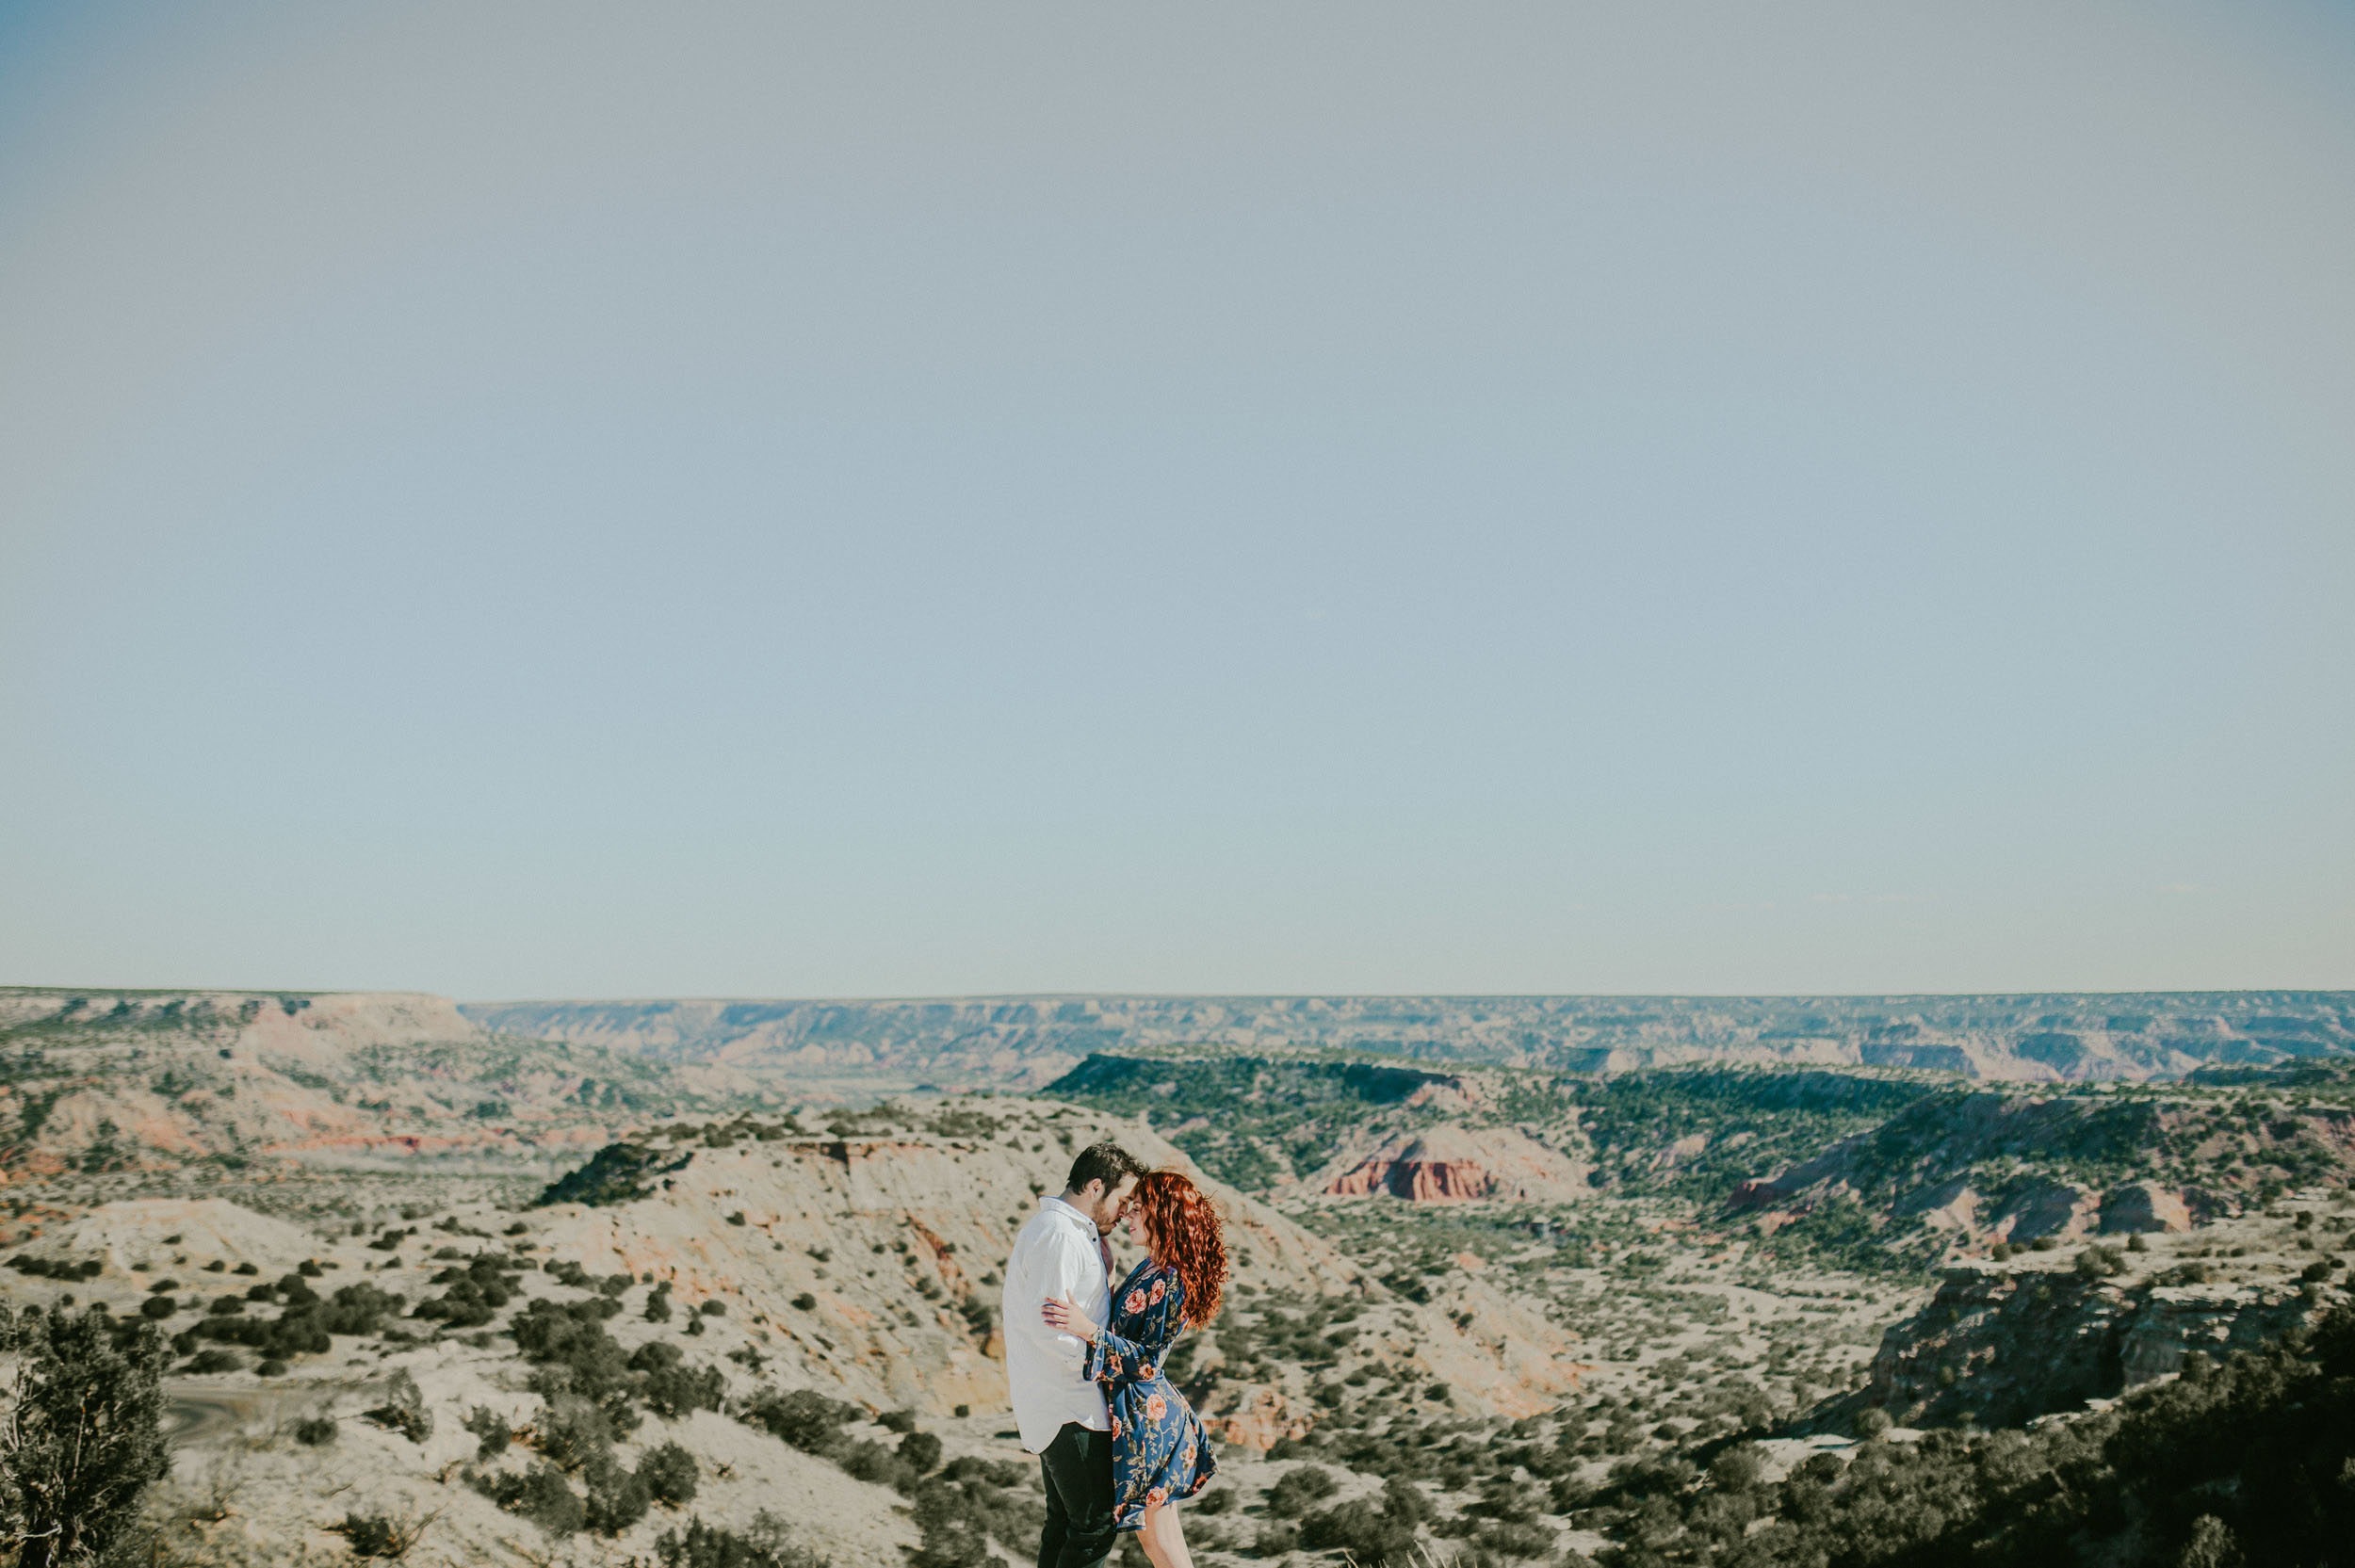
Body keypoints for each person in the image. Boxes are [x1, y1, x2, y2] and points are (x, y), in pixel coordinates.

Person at [1043, 1169, 1228, 1568]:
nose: (1128, 1216)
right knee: (1164, 1545)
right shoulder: (1153, 1267)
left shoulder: (1171, 1278)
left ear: (1163, 1215)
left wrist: (1086, 1330)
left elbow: (1145, 1361)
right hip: (1141, 1415)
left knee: (1161, 1546)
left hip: (1148, 1422)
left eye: (1138, 1209)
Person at [1002, 1140, 1149, 1568]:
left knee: (1066, 1523)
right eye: (1122, 1200)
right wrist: (1106, 1364)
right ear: (1095, 1186)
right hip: (1070, 1406)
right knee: (1094, 1527)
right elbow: (1049, 1331)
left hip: (1064, 1401)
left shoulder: (1072, 1234)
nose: (1125, 1212)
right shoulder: (1059, 1235)